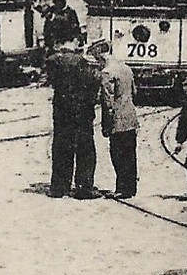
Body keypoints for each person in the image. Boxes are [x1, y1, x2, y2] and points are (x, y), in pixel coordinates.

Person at [45, 33, 102, 199]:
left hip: (61, 111)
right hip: (82, 111)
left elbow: (51, 79)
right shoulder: (83, 62)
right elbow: (94, 82)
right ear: (75, 41)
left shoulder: (53, 61)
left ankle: (59, 187)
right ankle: (84, 188)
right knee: (85, 149)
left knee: (61, 147)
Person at [94, 39, 139, 199]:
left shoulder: (107, 73)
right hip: (130, 117)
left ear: (101, 56)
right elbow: (134, 92)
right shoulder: (126, 68)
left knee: (118, 154)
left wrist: (106, 125)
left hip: (117, 120)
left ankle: (121, 188)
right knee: (130, 153)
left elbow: (107, 102)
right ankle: (131, 188)